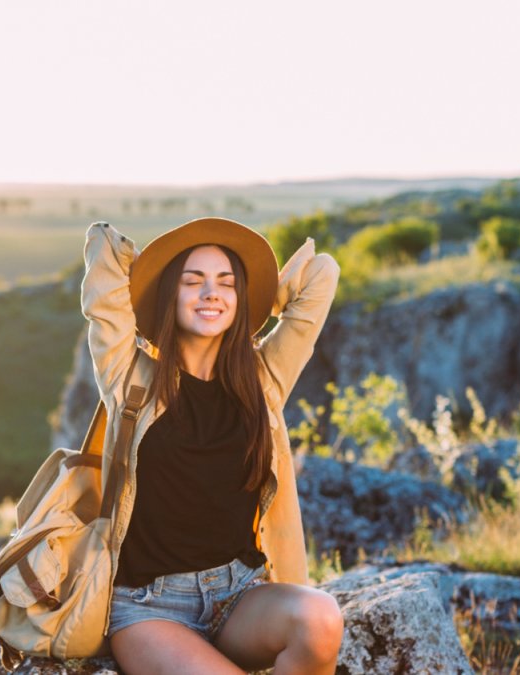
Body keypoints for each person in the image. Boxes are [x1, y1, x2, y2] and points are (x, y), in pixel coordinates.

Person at [81, 217, 345, 674]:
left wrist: (267, 296)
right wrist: (143, 267)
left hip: (240, 595)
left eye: (226, 283)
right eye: (192, 281)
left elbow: (323, 273)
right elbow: (102, 261)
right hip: (149, 607)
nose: (211, 293)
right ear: (170, 295)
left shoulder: (261, 380)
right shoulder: (131, 380)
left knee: (320, 618)